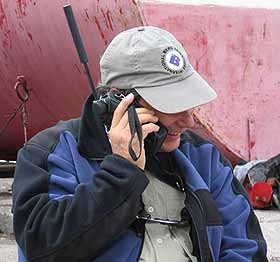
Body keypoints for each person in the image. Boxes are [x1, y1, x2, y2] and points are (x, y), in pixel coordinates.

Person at [12, 26, 267, 262]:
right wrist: (120, 175)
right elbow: (43, 247)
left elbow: (246, 246)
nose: (189, 120)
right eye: (173, 105)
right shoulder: (51, 154)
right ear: (119, 103)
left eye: (190, 103)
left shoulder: (203, 157)